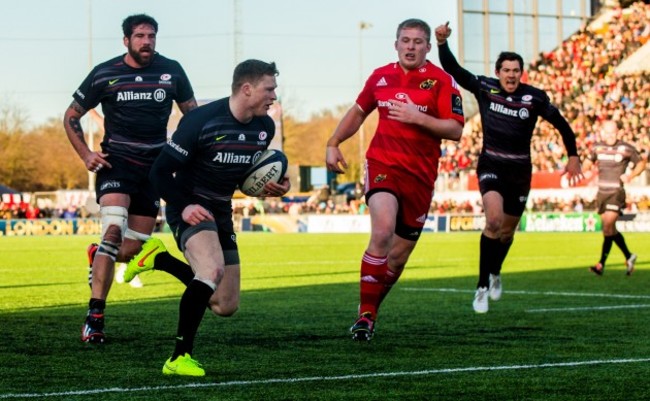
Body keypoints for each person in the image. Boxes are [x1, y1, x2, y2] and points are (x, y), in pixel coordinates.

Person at [136, 59, 289, 376]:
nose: (274, 95)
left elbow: (244, 179)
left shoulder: (265, 128)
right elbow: (159, 172)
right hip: (188, 205)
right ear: (247, 89)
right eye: (269, 88)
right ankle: (178, 358)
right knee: (211, 269)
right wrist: (185, 205)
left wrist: (273, 187)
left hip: (221, 209)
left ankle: (159, 259)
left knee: (225, 304)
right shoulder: (200, 122)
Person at [326, 18, 465, 341]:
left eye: (418, 41)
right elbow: (359, 112)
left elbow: (456, 130)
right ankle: (365, 316)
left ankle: (370, 312)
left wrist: (419, 118)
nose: (411, 47)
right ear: (396, 44)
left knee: (398, 258)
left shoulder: (442, 81)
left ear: (428, 47)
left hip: (420, 175)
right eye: (405, 40)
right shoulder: (380, 76)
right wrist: (333, 142)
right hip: (383, 164)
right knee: (383, 231)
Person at [63, 14, 197, 344]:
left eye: (151, 36)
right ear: (126, 40)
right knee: (112, 226)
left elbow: (193, 116)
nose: (146, 41)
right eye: (139, 36)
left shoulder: (172, 71)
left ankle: (99, 254)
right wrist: (86, 154)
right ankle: (95, 317)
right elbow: (71, 116)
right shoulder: (105, 73)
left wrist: (183, 152)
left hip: (154, 169)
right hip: (116, 164)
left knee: (130, 248)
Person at [435, 22, 583, 314]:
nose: (511, 75)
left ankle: (495, 272)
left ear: (521, 73)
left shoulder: (534, 97)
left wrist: (573, 155)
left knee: (506, 233)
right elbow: (455, 70)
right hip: (491, 165)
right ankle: (480, 287)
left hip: (520, 172)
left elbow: (563, 125)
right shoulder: (484, 87)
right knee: (492, 221)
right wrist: (442, 43)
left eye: (516, 70)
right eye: (506, 70)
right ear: (498, 71)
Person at [585, 120, 646, 276]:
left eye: (612, 132)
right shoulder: (597, 147)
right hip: (601, 193)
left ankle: (600, 265)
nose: (610, 135)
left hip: (616, 192)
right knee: (609, 230)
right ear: (602, 132)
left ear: (618, 132)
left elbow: (641, 164)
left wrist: (631, 175)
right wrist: (584, 169)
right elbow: (587, 162)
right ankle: (629, 256)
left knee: (608, 226)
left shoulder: (626, 148)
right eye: (607, 132)